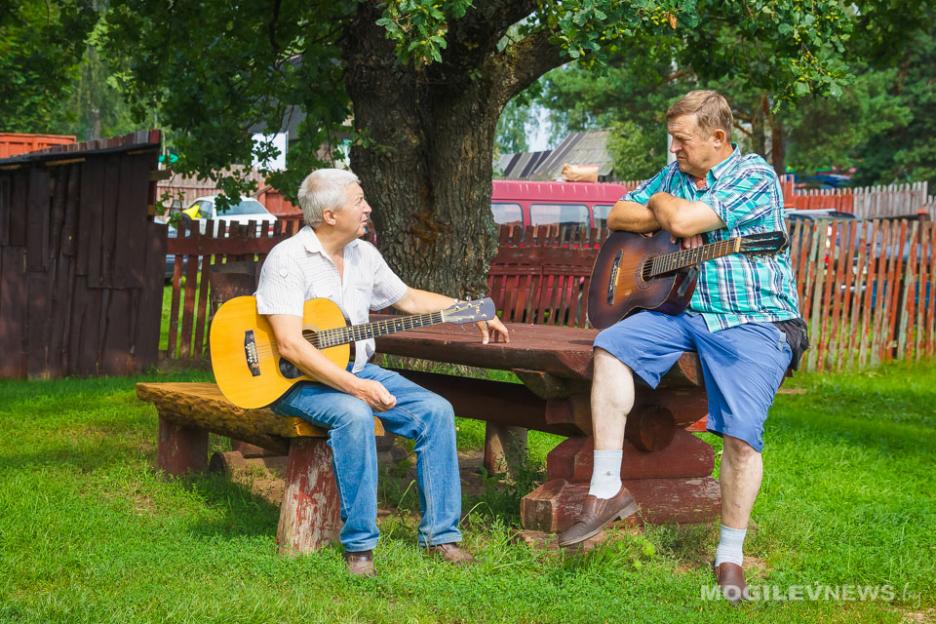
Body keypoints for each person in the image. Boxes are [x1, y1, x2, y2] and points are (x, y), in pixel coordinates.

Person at [556, 90, 806, 603]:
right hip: (682, 313)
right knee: (611, 346)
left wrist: (665, 209)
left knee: (741, 438)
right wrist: (661, 208)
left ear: (718, 137)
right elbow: (617, 215)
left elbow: (686, 224)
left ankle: (730, 555)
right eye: (673, 139)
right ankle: (606, 490)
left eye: (682, 140)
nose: (674, 149)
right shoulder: (675, 175)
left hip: (753, 319)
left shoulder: (754, 176)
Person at [256, 168, 509, 577]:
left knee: (436, 411)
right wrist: (357, 388)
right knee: (355, 415)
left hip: (356, 369)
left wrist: (469, 310)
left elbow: (408, 299)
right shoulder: (288, 259)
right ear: (329, 215)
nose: (368, 208)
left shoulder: (363, 255)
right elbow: (290, 345)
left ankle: (441, 537)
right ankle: (359, 547)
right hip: (296, 381)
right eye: (358, 201)